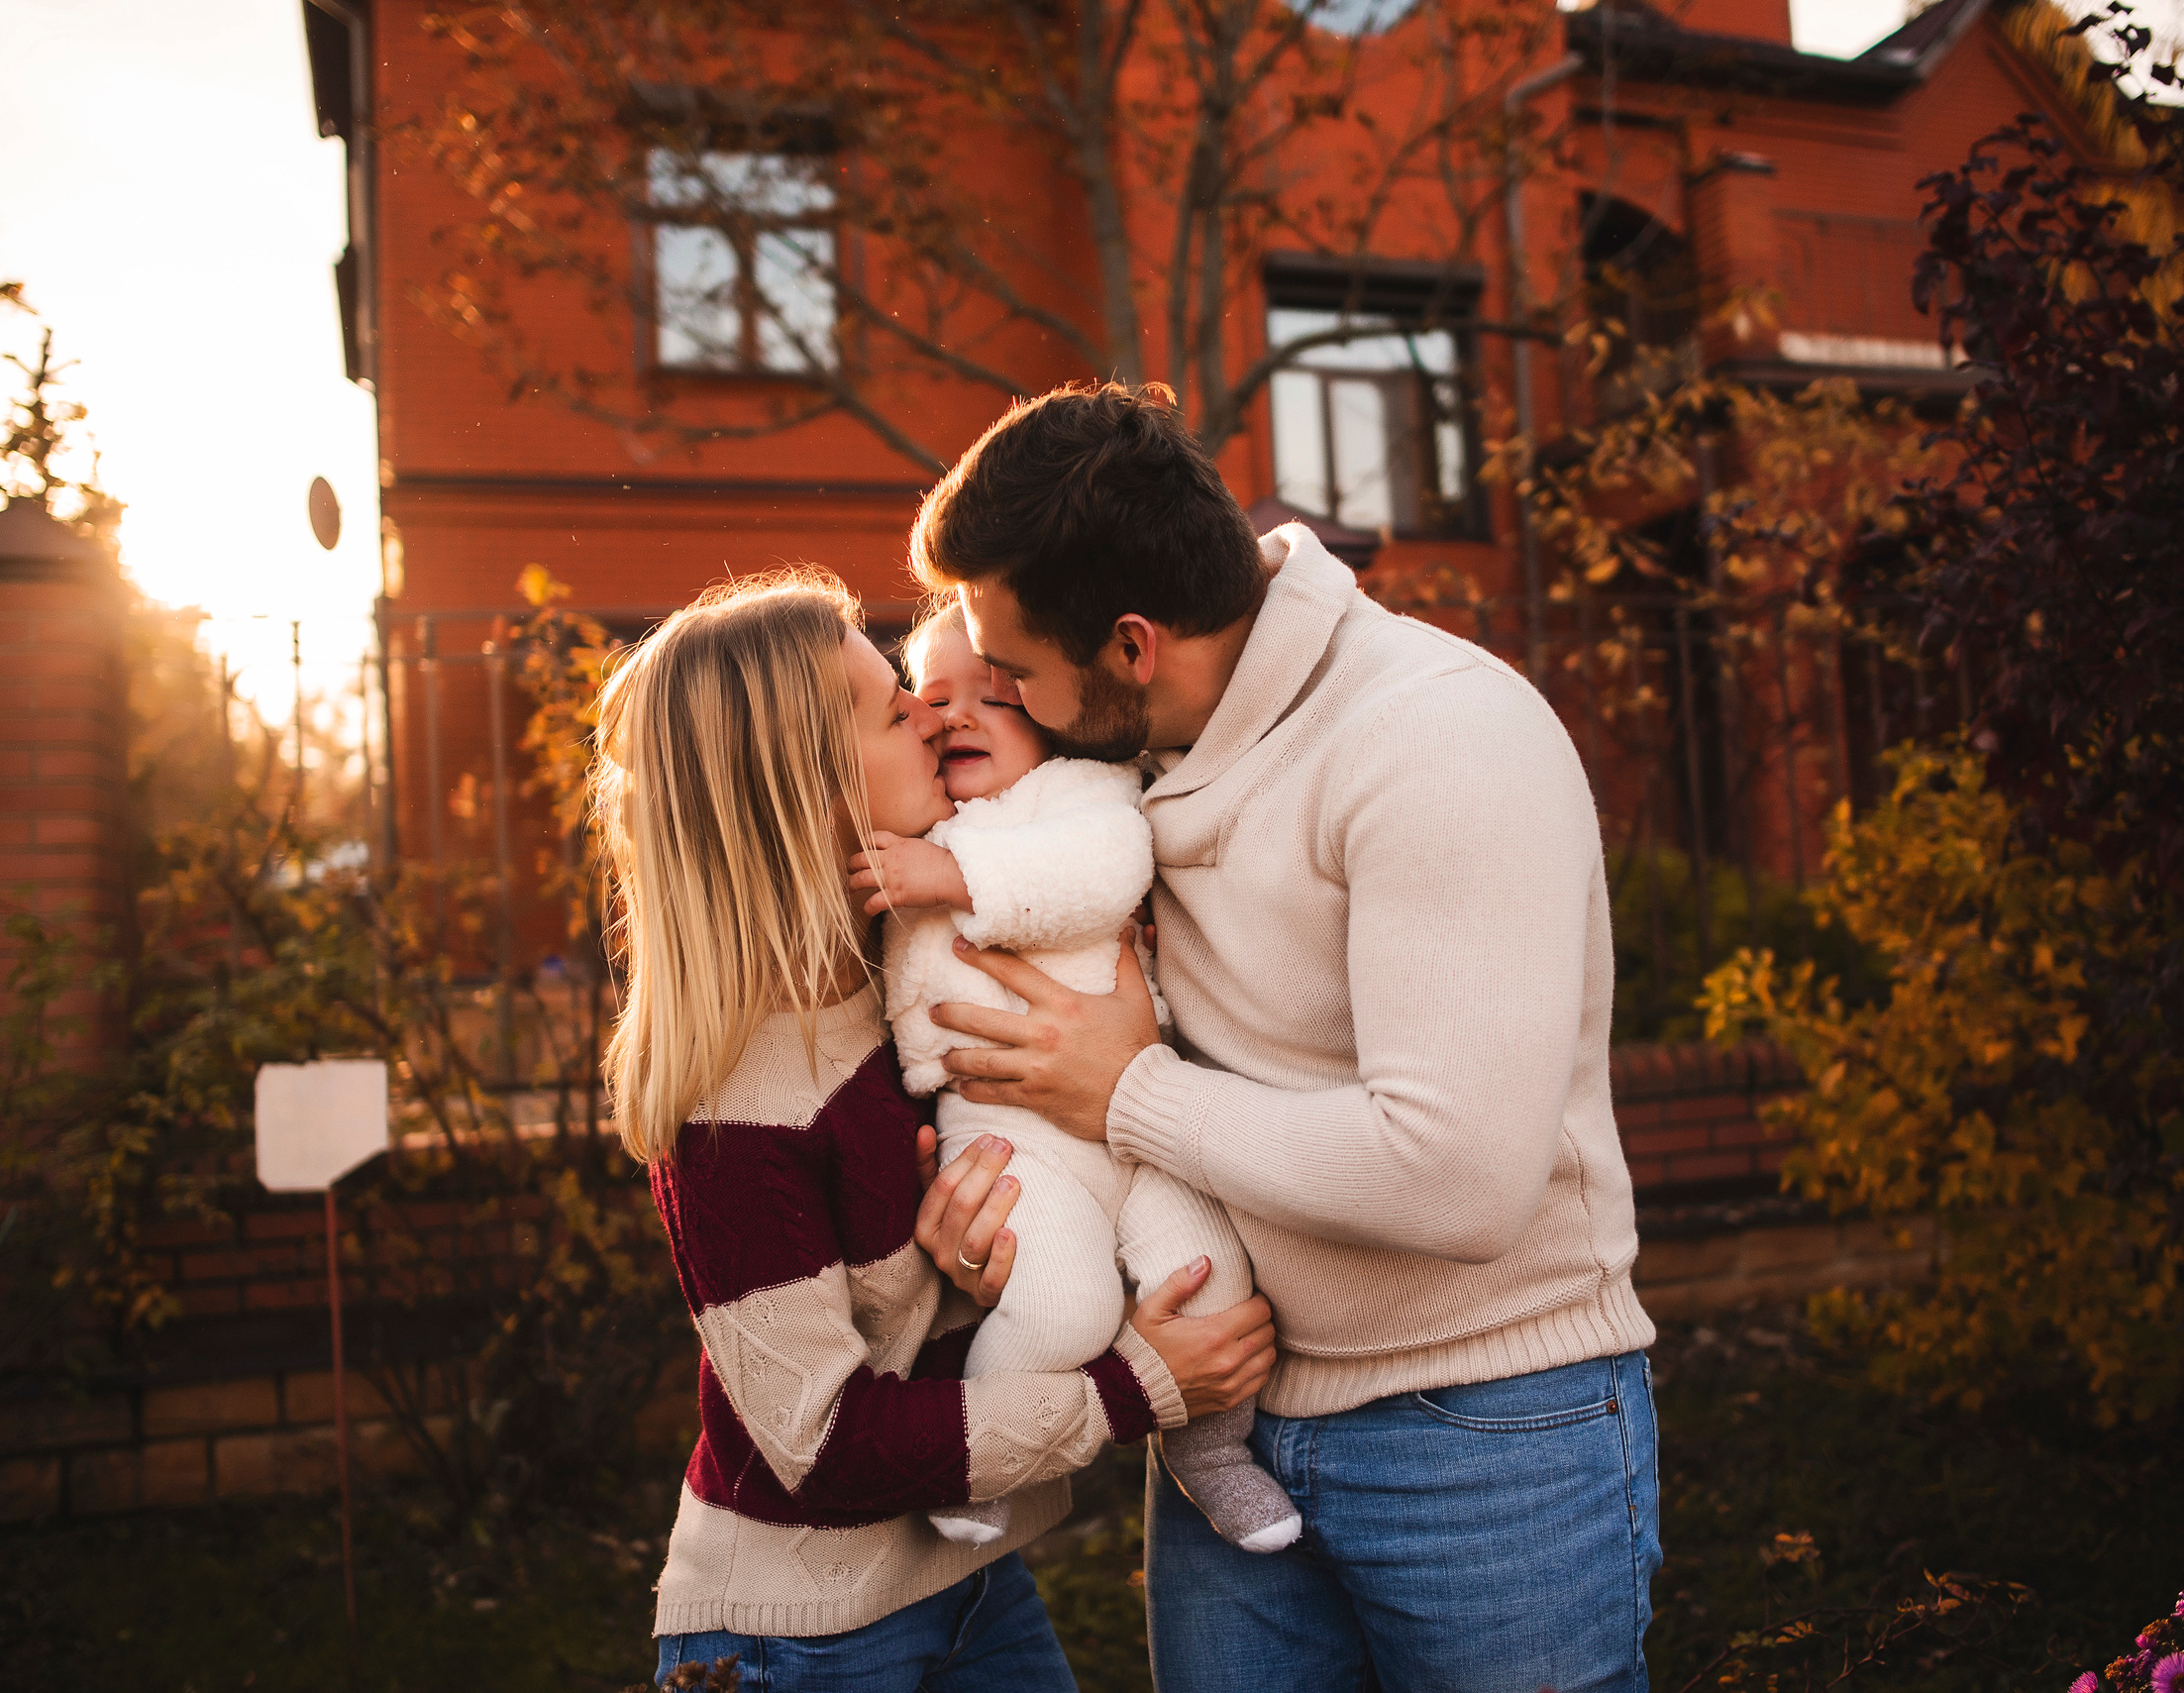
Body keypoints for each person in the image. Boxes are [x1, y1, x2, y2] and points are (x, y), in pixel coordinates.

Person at [906, 383, 1664, 1693]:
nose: (1003, 703)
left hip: (1482, 1430)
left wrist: (1126, 1095)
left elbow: (1457, 1174)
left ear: (1135, 645)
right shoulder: (1135, 754)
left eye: (1020, 672)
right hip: (1225, 1407)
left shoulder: (1436, 739)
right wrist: (1004, 1208)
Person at [589, 569, 1277, 1692]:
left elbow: (946, 1264)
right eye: (890, 707)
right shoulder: (733, 1109)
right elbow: (825, 1443)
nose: (932, 711)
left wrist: (962, 1265)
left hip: (964, 1578)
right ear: (803, 787)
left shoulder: (894, 974)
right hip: (799, 1637)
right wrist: (1135, 1385)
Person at [853, 605, 1301, 1555]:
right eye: (934, 701)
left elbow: (1103, 872)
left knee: (1214, 1275)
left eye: (996, 693)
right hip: (1007, 1130)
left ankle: (1212, 1452)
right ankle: (982, 1451)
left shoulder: (1081, 794)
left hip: (1137, 1120)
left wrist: (954, 873)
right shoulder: (921, 820)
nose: (958, 716)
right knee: (1065, 1306)